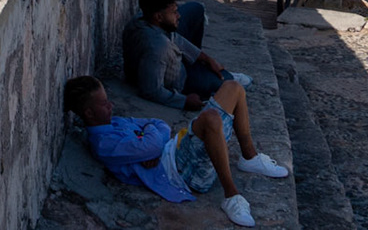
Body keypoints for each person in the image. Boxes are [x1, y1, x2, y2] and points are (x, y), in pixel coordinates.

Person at [64, 74, 288, 228]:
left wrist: (151, 140)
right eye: (103, 104)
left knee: (233, 87)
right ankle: (231, 196)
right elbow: (153, 138)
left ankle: (250, 157)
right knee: (209, 119)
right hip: (180, 173)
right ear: (89, 114)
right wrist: (151, 139)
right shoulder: (105, 143)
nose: (110, 105)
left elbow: (158, 124)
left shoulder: (116, 122)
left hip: (175, 150)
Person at [124, 0, 250, 109]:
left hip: (168, 55)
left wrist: (207, 59)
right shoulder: (157, 47)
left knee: (196, 9)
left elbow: (175, 38)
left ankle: (199, 67)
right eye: (174, 12)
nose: (178, 15)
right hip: (177, 77)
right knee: (228, 83)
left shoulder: (143, 19)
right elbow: (150, 90)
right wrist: (184, 101)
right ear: (159, 17)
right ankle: (200, 76)